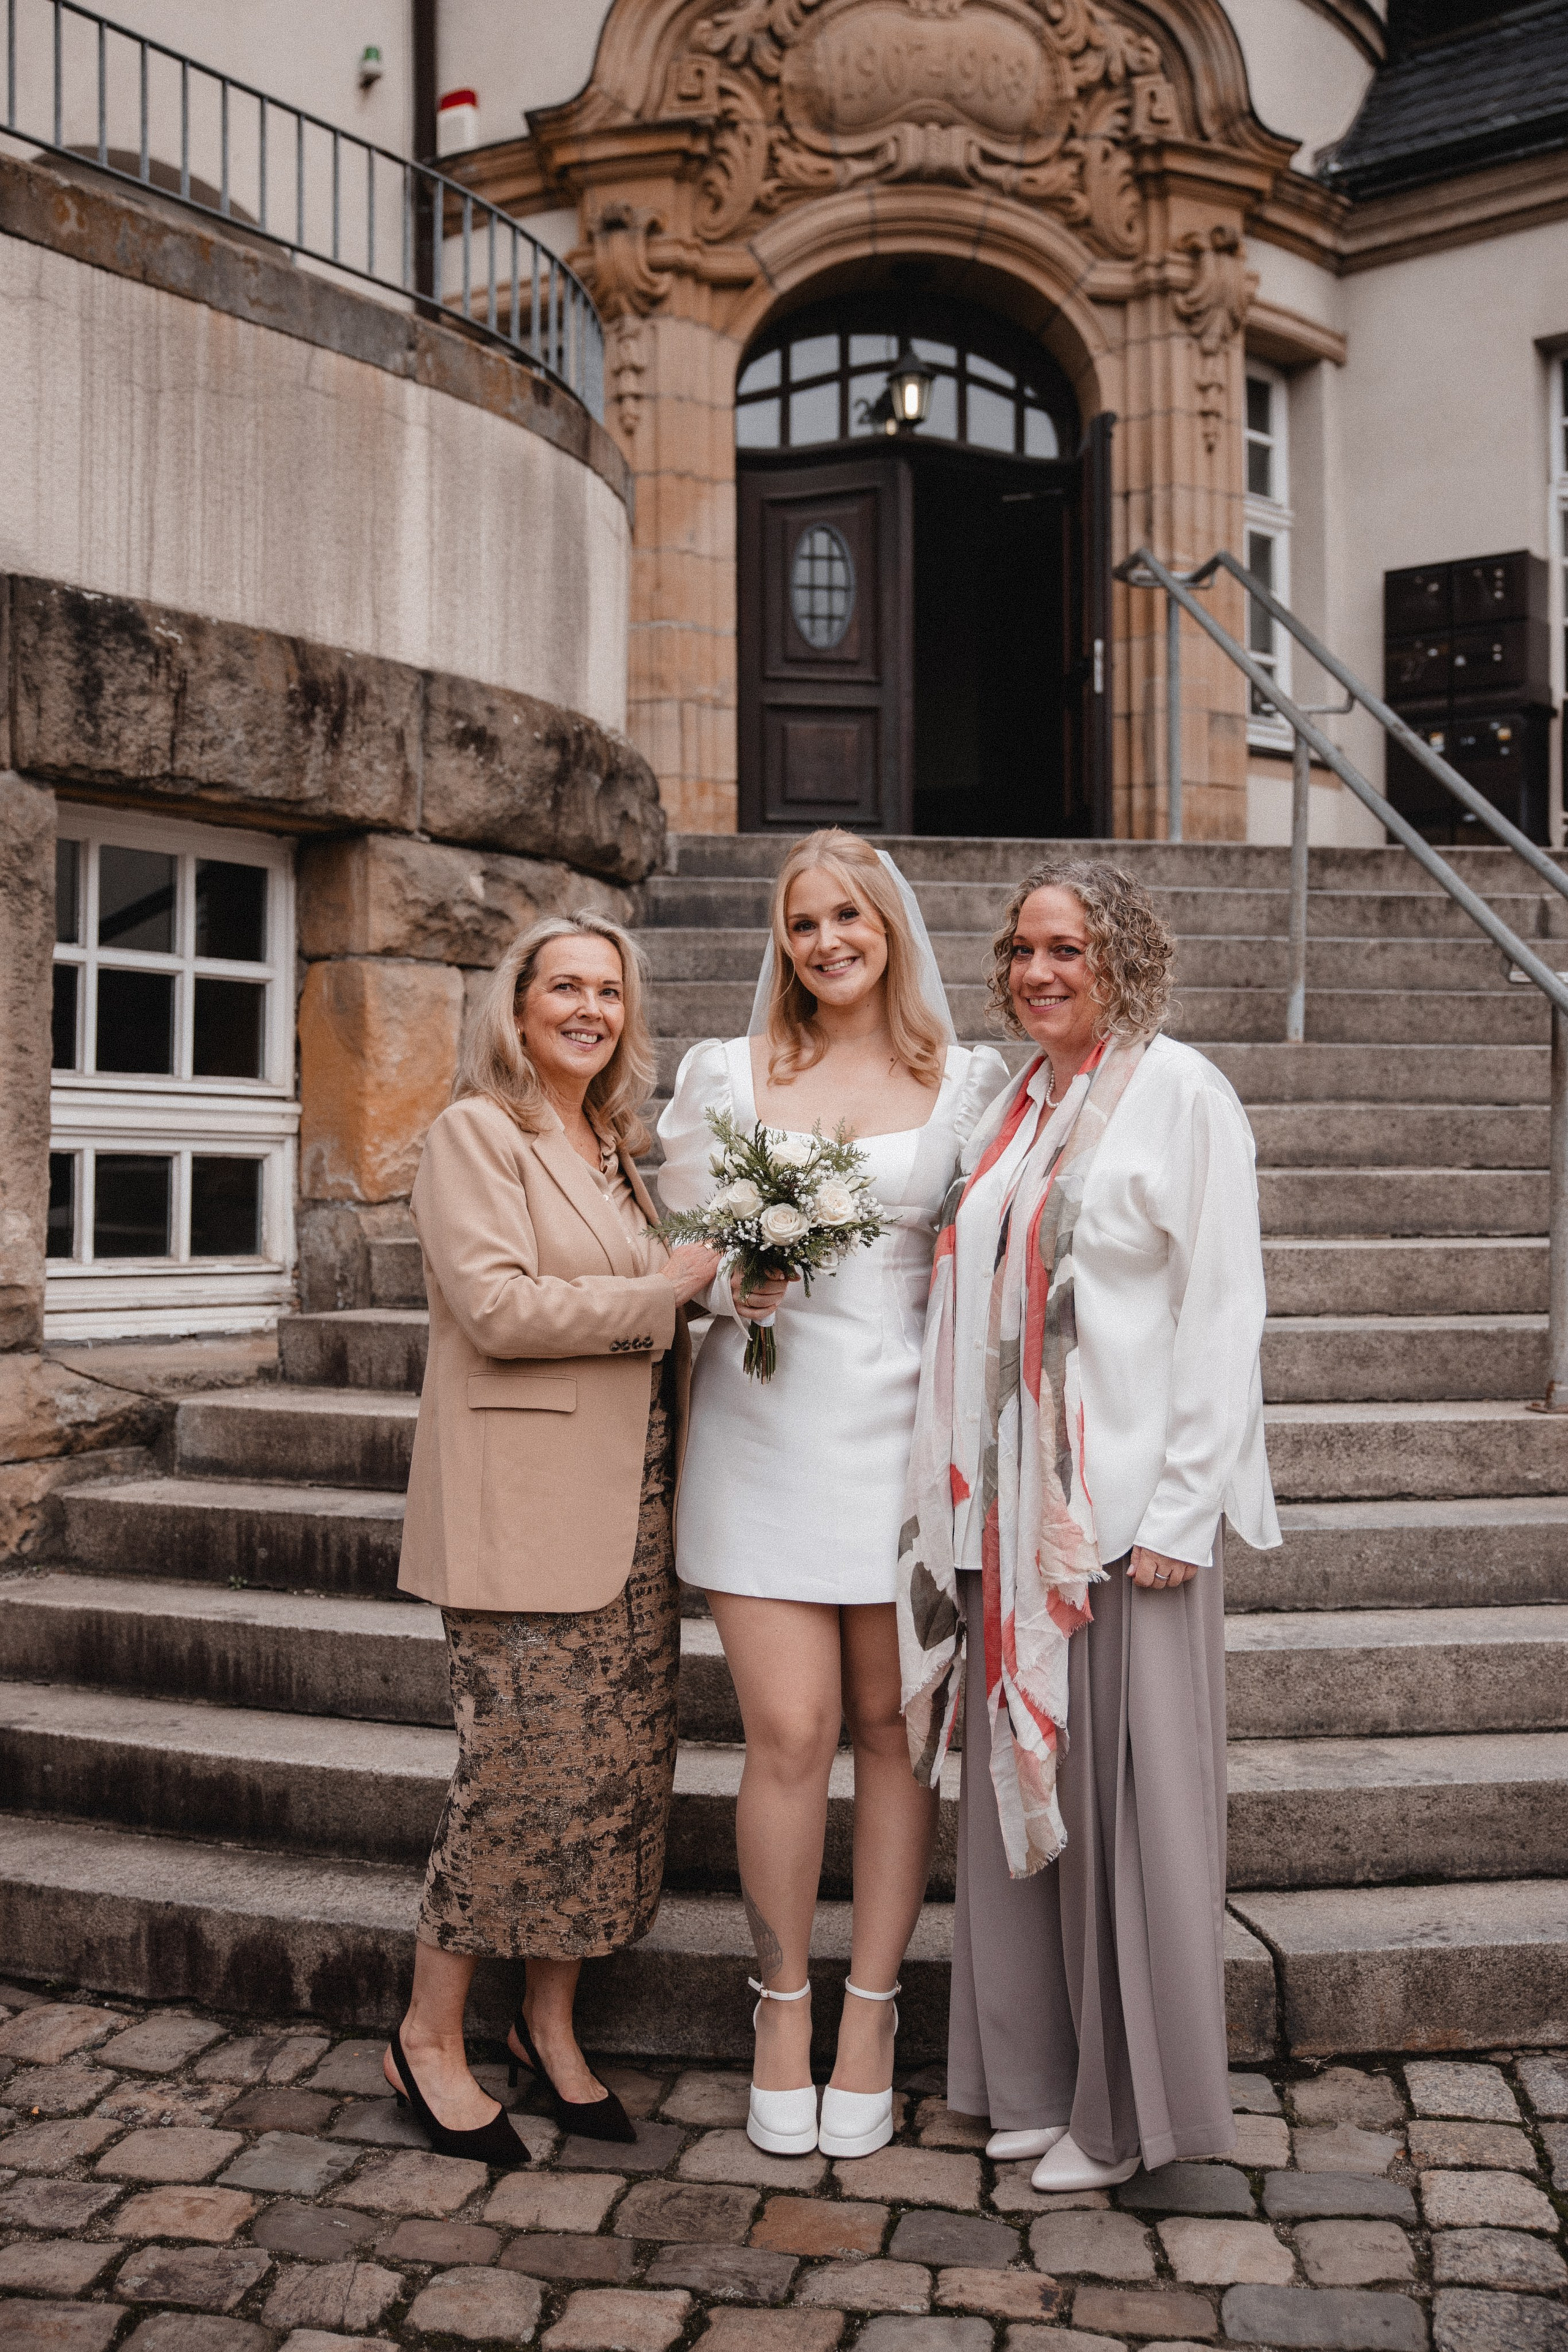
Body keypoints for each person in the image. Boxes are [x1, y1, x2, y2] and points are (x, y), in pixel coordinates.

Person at [899, 859, 1280, 2191]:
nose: (1036, 972)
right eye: (1018, 951)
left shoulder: (1178, 1094)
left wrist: (1181, 1504)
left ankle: (1127, 2117)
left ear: (1120, 958)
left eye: (1065, 948)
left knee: (1124, 1824)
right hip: (1004, 1513)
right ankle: (1026, 2076)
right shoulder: (1012, 1101)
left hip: (1118, 1519)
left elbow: (1222, 1310)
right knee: (1015, 1809)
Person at [657, 827, 1010, 2160]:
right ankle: (780, 2007)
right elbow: (683, 1239)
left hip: (907, 1450)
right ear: (782, 941)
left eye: (848, 917)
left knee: (891, 1736)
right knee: (789, 1735)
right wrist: (727, 1276)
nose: (826, 941)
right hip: (762, 1432)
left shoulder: (967, 1081)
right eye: (803, 923)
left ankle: (871, 2011)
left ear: (890, 927)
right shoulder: (725, 1073)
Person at [386, 911, 720, 2163]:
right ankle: (426, 2040)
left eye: (609, 992)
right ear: (517, 1009)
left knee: (611, 1791)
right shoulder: (478, 1132)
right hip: (522, 1517)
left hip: (630, 1520)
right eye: (564, 987)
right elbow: (499, 1306)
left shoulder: (614, 1149)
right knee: (516, 1787)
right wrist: (669, 1290)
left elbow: (651, 1300)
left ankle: (547, 2029)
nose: (589, 1008)